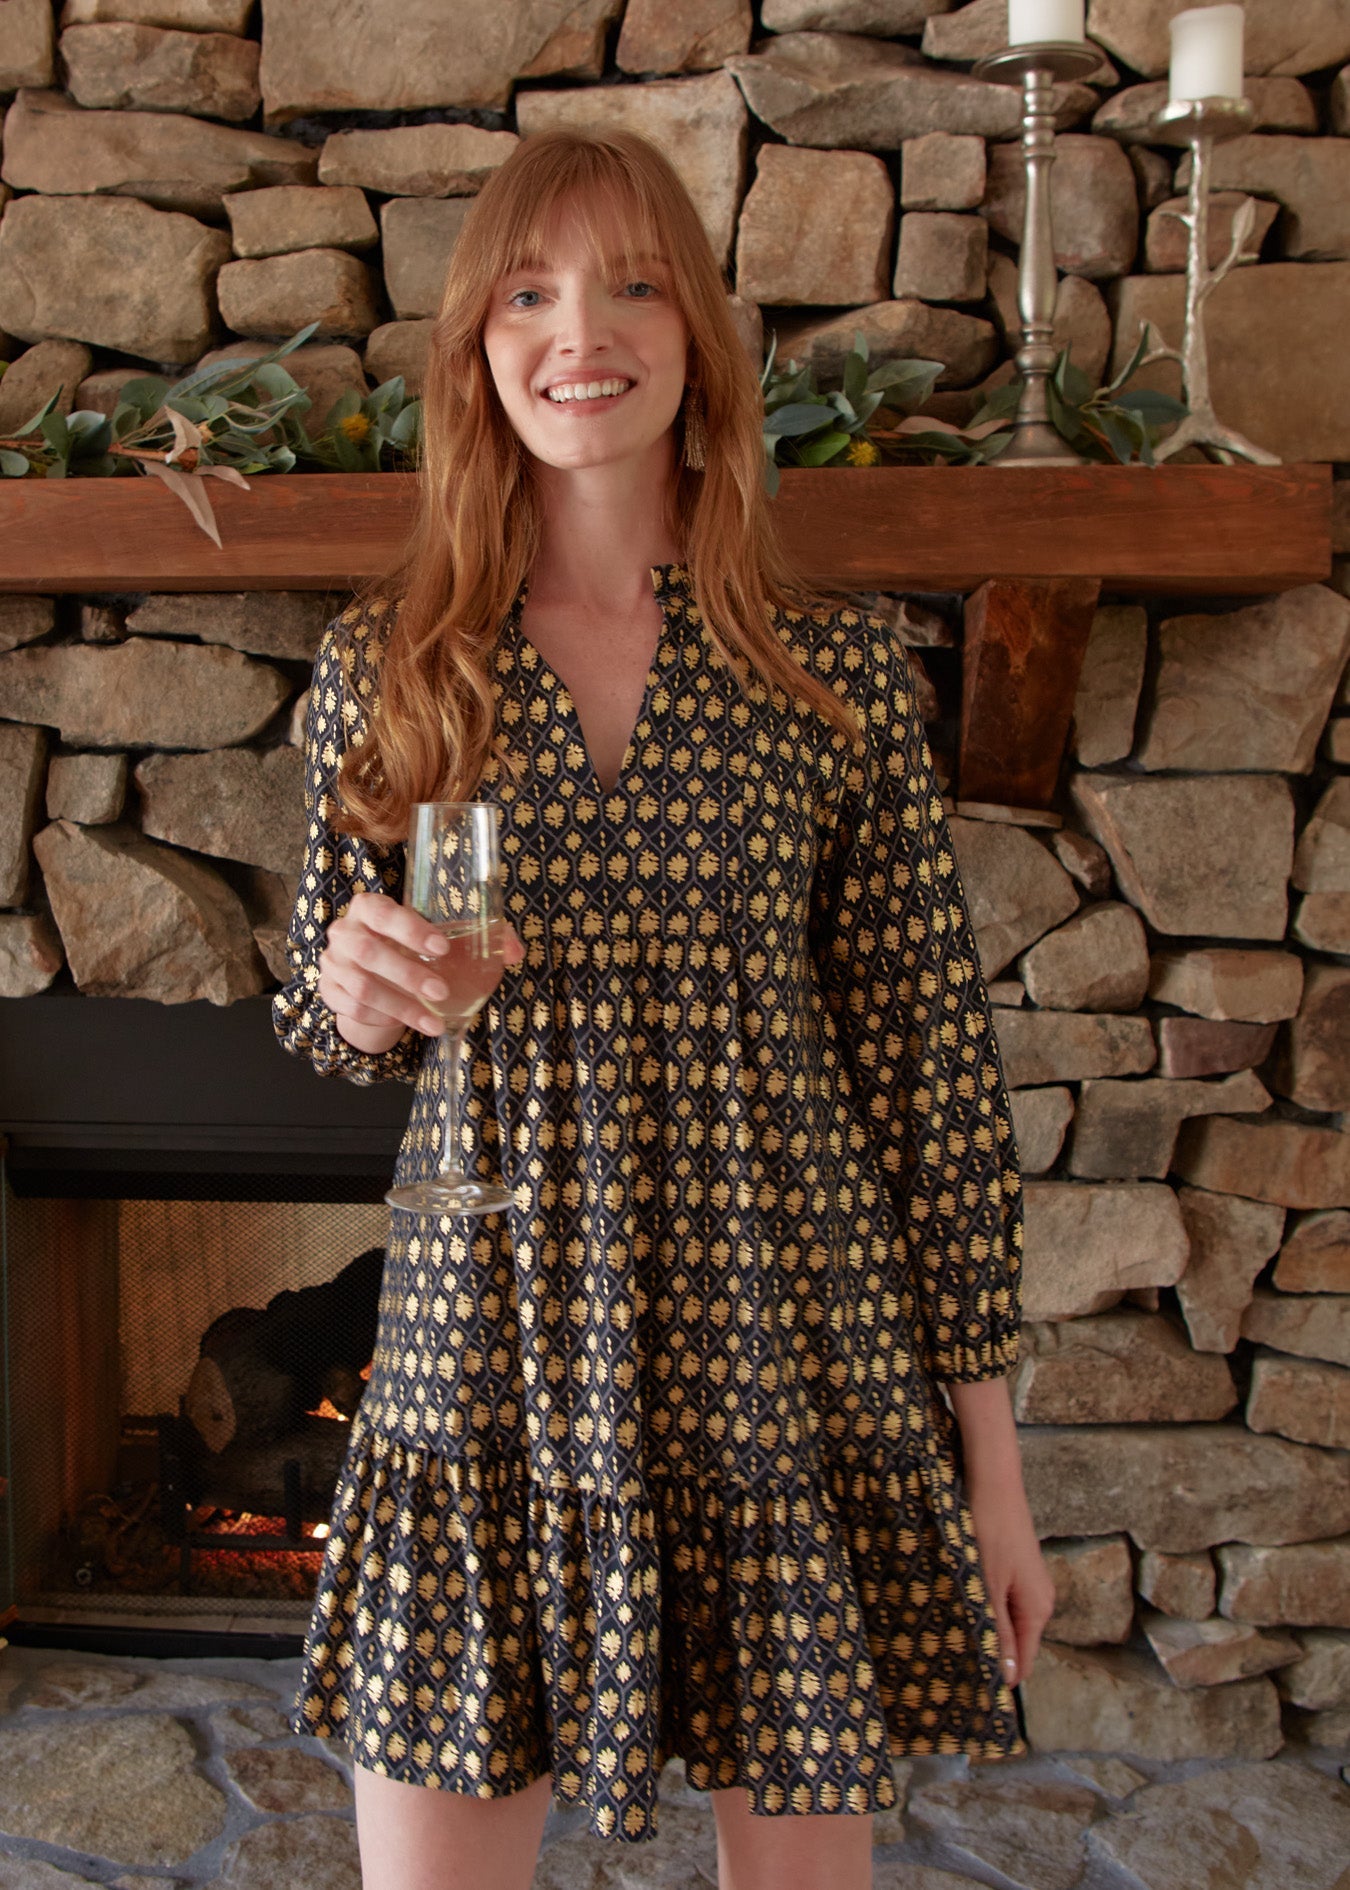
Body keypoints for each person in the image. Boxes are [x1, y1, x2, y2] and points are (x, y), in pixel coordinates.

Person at [274, 128, 1054, 1890]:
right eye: (531, 292)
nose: (582, 330)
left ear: (696, 331)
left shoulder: (830, 670)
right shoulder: (393, 668)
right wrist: (354, 986)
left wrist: (989, 1469)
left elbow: (932, 1081)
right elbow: (329, 1026)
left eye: (633, 282)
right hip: (491, 1341)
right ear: (480, 344)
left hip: (783, 1335)